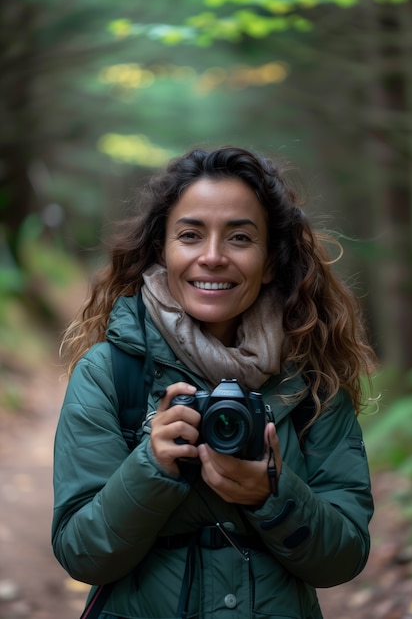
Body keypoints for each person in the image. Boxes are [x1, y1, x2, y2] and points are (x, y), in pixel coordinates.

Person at [52, 145, 377, 619]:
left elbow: (344, 557)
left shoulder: (309, 382)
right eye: (190, 235)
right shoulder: (110, 374)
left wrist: (272, 495)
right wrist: (151, 468)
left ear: (269, 262)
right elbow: (81, 554)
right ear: (162, 249)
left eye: (240, 238)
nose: (212, 257)